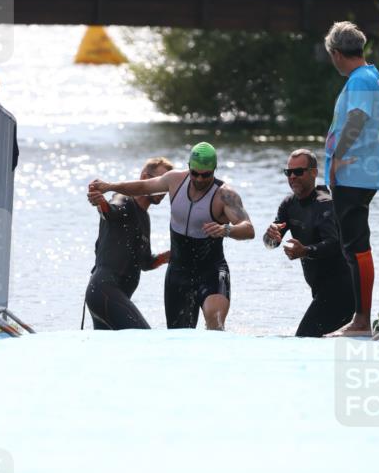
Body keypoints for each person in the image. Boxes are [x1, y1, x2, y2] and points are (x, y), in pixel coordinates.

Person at [89, 142, 254, 331]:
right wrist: (109, 186)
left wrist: (227, 230)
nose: (199, 179)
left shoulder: (225, 195)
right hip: (178, 273)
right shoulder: (175, 180)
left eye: (206, 175)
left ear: (214, 169)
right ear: (189, 167)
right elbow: (142, 187)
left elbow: (248, 228)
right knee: (178, 336)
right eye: (195, 173)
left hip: (211, 271)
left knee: (215, 323)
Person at [323, 21, 379, 337]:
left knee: (356, 245)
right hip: (361, 172)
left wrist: (337, 157)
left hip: (354, 173)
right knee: (354, 245)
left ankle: (361, 321)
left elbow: (358, 117)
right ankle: (359, 317)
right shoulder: (370, 75)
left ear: (337, 53)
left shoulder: (361, 79)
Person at [263, 149, 354, 337]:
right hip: (321, 291)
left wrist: (305, 251)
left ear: (314, 173)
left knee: (303, 338)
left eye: (298, 172)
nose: (292, 177)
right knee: (313, 339)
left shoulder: (325, 204)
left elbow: (333, 244)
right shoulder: (288, 204)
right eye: (289, 172)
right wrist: (270, 236)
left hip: (342, 291)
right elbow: (271, 244)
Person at [83, 157, 173, 330]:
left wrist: (170, 255)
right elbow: (110, 212)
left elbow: (146, 263)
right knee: (146, 339)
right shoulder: (123, 199)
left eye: (166, 186)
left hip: (110, 296)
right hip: (104, 290)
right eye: (161, 182)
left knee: (109, 347)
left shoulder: (145, 218)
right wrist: (100, 202)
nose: (164, 190)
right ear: (145, 178)